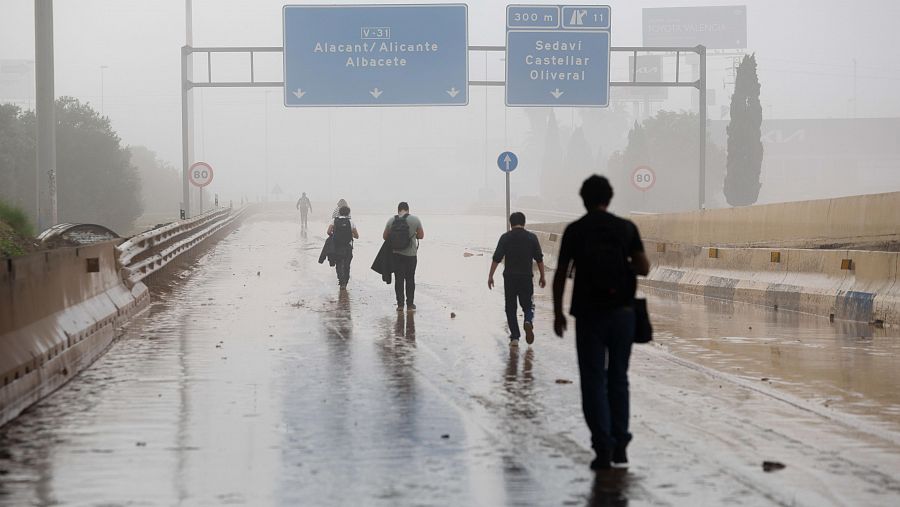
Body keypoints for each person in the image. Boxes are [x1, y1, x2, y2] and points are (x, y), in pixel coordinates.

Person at [552, 175, 650, 471]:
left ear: (583, 199)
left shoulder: (575, 230)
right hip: (623, 313)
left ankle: (603, 446)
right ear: (610, 198)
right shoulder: (626, 228)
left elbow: (560, 274)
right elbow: (644, 267)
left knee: (593, 380)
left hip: (589, 314)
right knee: (618, 377)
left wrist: (558, 313)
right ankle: (621, 444)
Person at [488, 212, 546, 346]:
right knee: (528, 305)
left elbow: (496, 258)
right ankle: (528, 321)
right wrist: (542, 276)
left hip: (509, 278)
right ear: (524, 223)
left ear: (510, 223)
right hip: (526, 277)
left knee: (510, 307)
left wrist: (490, 276)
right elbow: (539, 258)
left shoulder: (505, 237)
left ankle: (515, 337)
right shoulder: (531, 237)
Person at [383, 202, 424, 312]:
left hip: (396, 255)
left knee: (399, 279)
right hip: (411, 255)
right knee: (410, 279)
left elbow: (384, 236)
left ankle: (400, 305)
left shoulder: (391, 220)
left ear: (398, 210)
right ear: (408, 209)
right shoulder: (415, 220)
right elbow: (421, 236)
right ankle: (410, 305)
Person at [327, 205, 359, 290]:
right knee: (347, 265)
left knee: (338, 264)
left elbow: (328, 231)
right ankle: (345, 282)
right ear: (348, 213)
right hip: (348, 247)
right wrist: (350, 234)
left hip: (337, 246)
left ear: (339, 212)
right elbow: (357, 236)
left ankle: (341, 282)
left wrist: (334, 236)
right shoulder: (351, 222)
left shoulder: (334, 220)